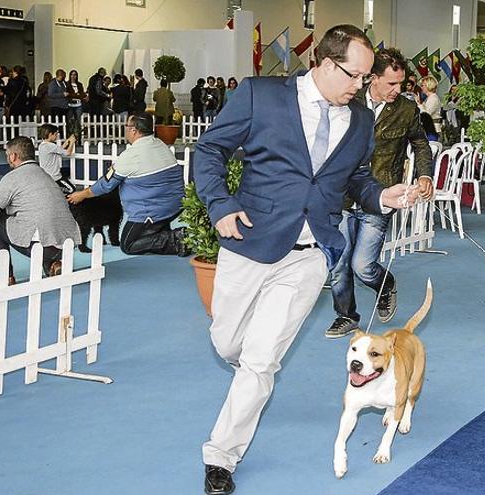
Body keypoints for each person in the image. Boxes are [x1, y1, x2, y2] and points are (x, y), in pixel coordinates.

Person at [192, 24, 419, 494]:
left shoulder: (359, 121)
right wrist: (220, 204)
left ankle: (221, 456)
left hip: (311, 253)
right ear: (325, 62)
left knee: (261, 362)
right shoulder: (260, 95)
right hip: (250, 241)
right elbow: (210, 148)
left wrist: (384, 196)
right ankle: (247, 370)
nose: (362, 86)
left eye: (365, 77)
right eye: (355, 76)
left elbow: (355, 179)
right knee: (228, 345)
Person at [326, 47, 435, 339]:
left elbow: (421, 144)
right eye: (391, 83)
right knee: (338, 262)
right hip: (342, 193)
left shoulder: (407, 109)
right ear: (372, 78)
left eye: (401, 83)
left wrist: (425, 174)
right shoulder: (348, 100)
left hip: (382, 194)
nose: (398, 90)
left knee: (362, 266)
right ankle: (346, 315)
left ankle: (384, 283)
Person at [67, 113, 188, 256]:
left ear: (134, 130)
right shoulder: (160, 145)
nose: (125, 129)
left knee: (128, 244)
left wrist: (81, 194)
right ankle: (164, 232)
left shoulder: (132, 155)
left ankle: (173, 239)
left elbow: (106, 185)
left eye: (126, 126)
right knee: (146, 232)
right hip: (175, 205)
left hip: (152, 211)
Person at [0, 137, 81, 286]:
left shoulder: (11, 178)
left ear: (13, 156)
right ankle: (53, 265)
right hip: (67, 245)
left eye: (7, 154)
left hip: (41, 246)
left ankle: (3, 275)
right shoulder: (46, 175)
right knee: (36, 220)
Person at [37, 123, 77, 193]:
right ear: (50, 134)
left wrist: (68, 141)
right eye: (55, 134)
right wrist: (72, 143)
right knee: (72, 190)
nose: (56, 136)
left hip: (47, 177)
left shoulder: (42, 145)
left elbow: (59, 149)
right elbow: (68, 153)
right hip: (55, 177)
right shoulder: (51, 146)